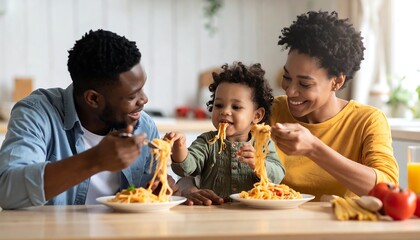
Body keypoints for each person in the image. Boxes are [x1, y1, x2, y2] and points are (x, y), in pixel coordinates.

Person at [178, 11, 398, 205]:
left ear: (337, 82)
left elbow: (388, 191)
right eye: (286, 77)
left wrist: (313, 148)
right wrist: (188, 187)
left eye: (304, 84)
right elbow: (210, 157)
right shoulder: (267, 112)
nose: (290, 91)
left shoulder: (367, 120)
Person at [0, 29, 178, 209]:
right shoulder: (37, 113)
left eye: (142, 88)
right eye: (132, 96)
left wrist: (159, 191)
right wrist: (95, 160)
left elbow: (152, 193)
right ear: (93, 98)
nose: (144, 99)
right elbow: (7, 190)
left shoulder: (144, 126)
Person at [165, 62, 285, 205]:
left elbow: (278, 175)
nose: (225, 111)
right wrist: (179, 147)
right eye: (219, 105)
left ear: (257, 115)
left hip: (253, 214)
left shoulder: (263, 142)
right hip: (211, 213)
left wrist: (258, 163)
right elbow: (186, 169)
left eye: (236, 107)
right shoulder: (207, 141)